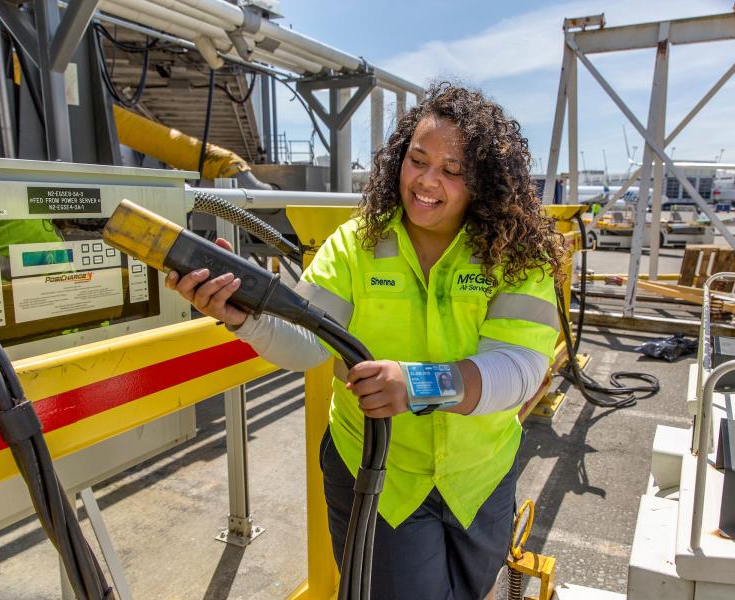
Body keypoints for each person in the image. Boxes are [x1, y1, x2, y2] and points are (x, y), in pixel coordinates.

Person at [166, 82, 565, 599]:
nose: (426, 181)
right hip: (376, 476)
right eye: (417, 160)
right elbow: (309, 344)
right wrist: (245, 318)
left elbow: (520, 367)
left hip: (479, 478)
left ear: (484, 182)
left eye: (452, 170)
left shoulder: (516, 255)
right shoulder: (356, 243)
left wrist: (418, 385)